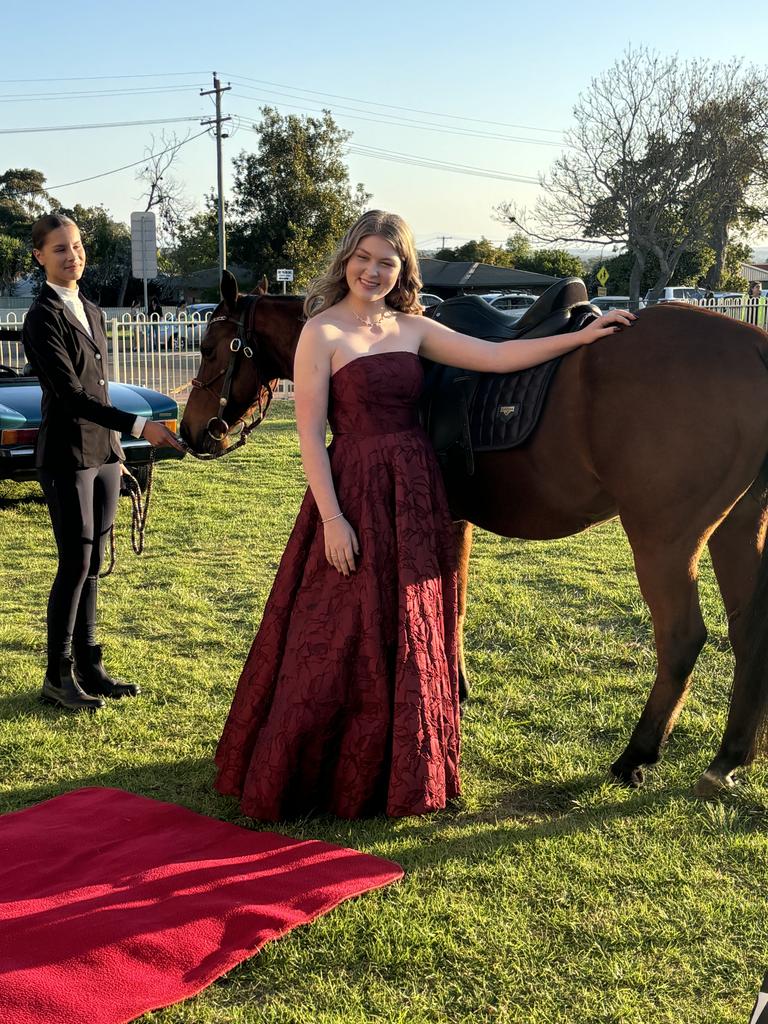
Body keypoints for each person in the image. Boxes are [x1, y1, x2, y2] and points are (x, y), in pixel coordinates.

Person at [214, 209, 635, 821]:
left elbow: (496, 357)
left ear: (402, 268)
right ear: (346, 259)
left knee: (409, 620)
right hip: (354, 486)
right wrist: (332, 518)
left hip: (413, 489)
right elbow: (308, 435)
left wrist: (582, 337)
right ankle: (324, 766)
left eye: (388, 261)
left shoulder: (413, 327)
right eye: (364, 257)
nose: (373, 271)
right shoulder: (320, 332)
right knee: (341, 627)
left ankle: (402, 764)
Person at [22, 214, 184, 713]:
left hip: (104, 454)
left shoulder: (91, 309)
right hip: (68, 456)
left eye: (76, 246)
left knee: (94, 563)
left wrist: (118, 446)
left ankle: (91, 665)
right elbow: (70, 397)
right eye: (59, 250)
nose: (72, 256)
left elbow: (100, 387)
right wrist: (139, 428)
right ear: (40, 257)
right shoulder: (41, 318)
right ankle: (57, 675)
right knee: (74, 562)